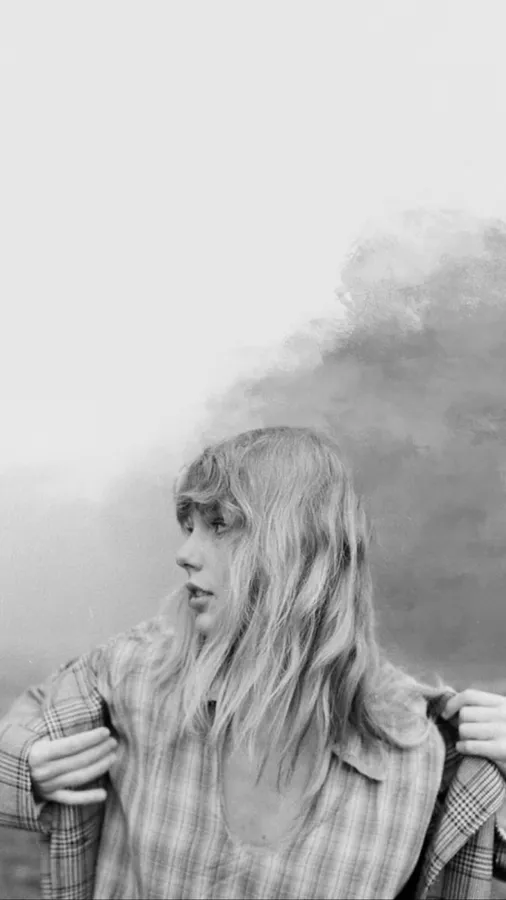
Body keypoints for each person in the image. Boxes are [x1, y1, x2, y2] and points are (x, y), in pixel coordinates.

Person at [1, 425, 505, 900]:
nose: (184, 552)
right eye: (188, 527)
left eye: (218, 525)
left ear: (301, 546)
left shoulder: (421, 748)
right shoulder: (133, 673)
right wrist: (26, 770)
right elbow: (16, 740)